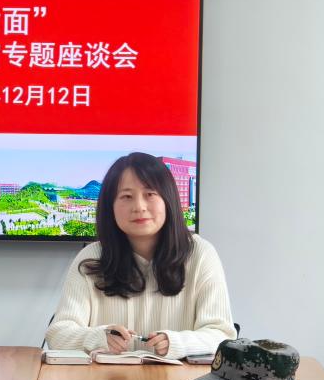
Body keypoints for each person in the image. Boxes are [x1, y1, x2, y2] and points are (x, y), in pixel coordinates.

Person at [46, 152, 234, 357]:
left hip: (178, 378)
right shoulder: (91, 258)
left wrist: (176, 342)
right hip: (106, 378)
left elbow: (222, 334)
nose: (139, 207)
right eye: (126, 197)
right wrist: (98, 337)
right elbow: (58, 335)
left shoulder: (200, 254)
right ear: (110, 206)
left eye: (150, 194)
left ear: (168, 199)